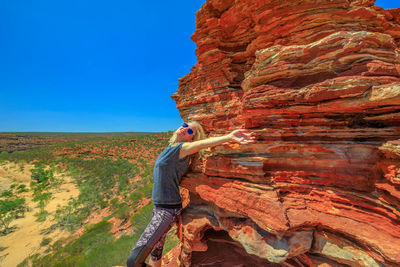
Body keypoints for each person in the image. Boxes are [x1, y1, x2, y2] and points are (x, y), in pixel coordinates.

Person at [126, 121, 256, 267]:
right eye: (185, 125)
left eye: (190, 132)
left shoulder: (182, 148)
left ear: (191, 139)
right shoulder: (171, 147)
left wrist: (229, 137)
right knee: (156, 251)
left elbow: (202, 144)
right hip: (160, 208)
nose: (185, 129)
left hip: (166, 211)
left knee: (133, 262)